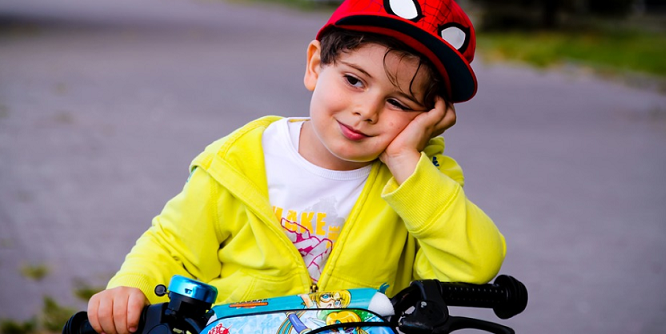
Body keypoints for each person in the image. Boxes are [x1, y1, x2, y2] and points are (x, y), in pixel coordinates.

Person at [87, 0, 507, 333]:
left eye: (398, 103)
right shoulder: (240, 160)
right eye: (354, 80)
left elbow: (473, 267)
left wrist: (405, 160)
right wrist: (131, 288)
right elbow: (173, 245)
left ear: (426, 118)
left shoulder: (421, 179)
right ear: (314, 65)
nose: (366, 111)